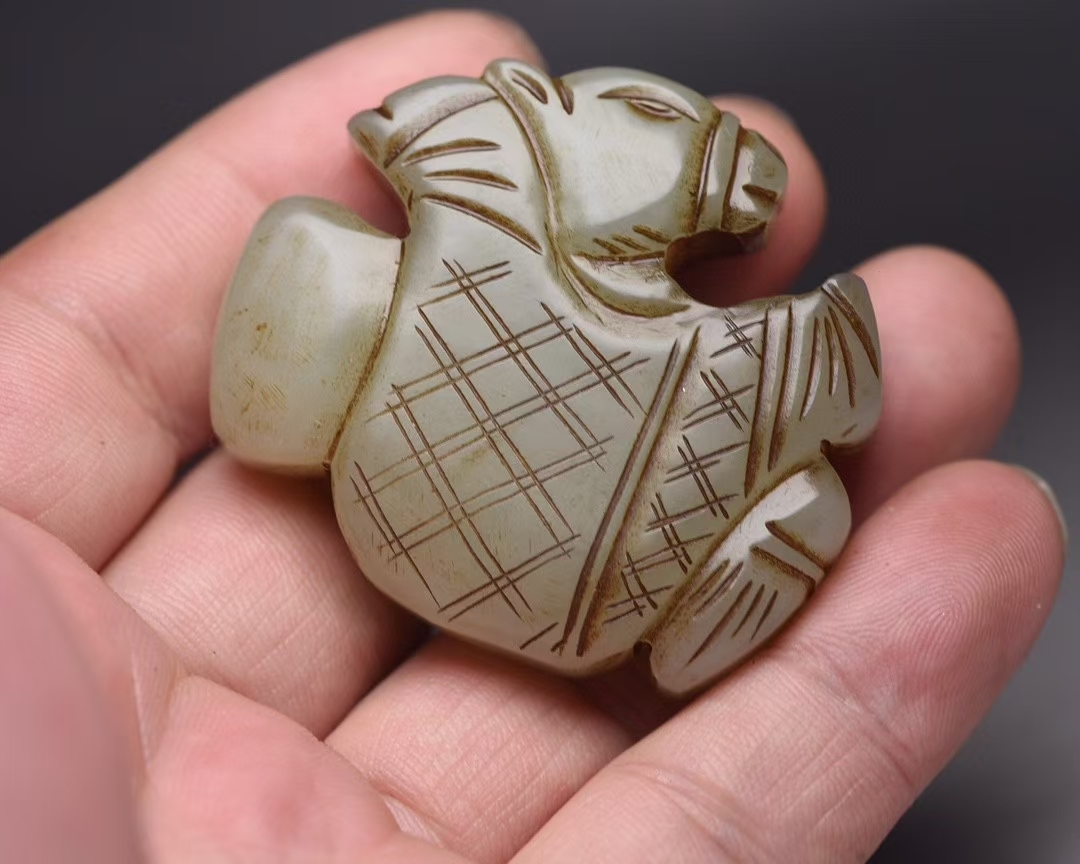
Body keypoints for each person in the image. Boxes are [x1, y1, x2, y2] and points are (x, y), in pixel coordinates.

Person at [0, 11, 1066, 863]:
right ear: (536, 114)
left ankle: (706, 594)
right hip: (495, 557)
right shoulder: (461, 200)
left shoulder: (769, 357)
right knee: (324, 277)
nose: (722, 154)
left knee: (809, 491)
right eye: (658, 121)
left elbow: (843, 401)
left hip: (598, 579)